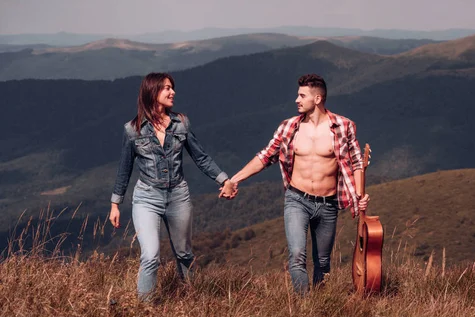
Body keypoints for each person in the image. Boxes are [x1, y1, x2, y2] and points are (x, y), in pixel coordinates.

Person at [230, 73, 369, 294]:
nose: (297, 99)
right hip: (297, 199)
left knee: (322, 262)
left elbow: (356, 164)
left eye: (302, 95)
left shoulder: (344, 127)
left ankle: (319, 305)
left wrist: (360, 196)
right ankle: (304, 309)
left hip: (328, 203)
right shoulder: (288, 127)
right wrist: (234, 179)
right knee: (296, 255)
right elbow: (265, 157)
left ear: (317, 99)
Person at [109, 72, 237, 300]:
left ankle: (192, 302)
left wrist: (224, 179)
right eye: (166, 88)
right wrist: (115, 203)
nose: (172, 92)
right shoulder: (132, 130)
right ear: (152, 92)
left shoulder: (181, 124)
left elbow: (201, 157)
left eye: (172, 87)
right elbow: (124, 168)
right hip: (146, 198)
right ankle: (144, 312)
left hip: (178, 196)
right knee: (150, 255)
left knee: (185, 255)